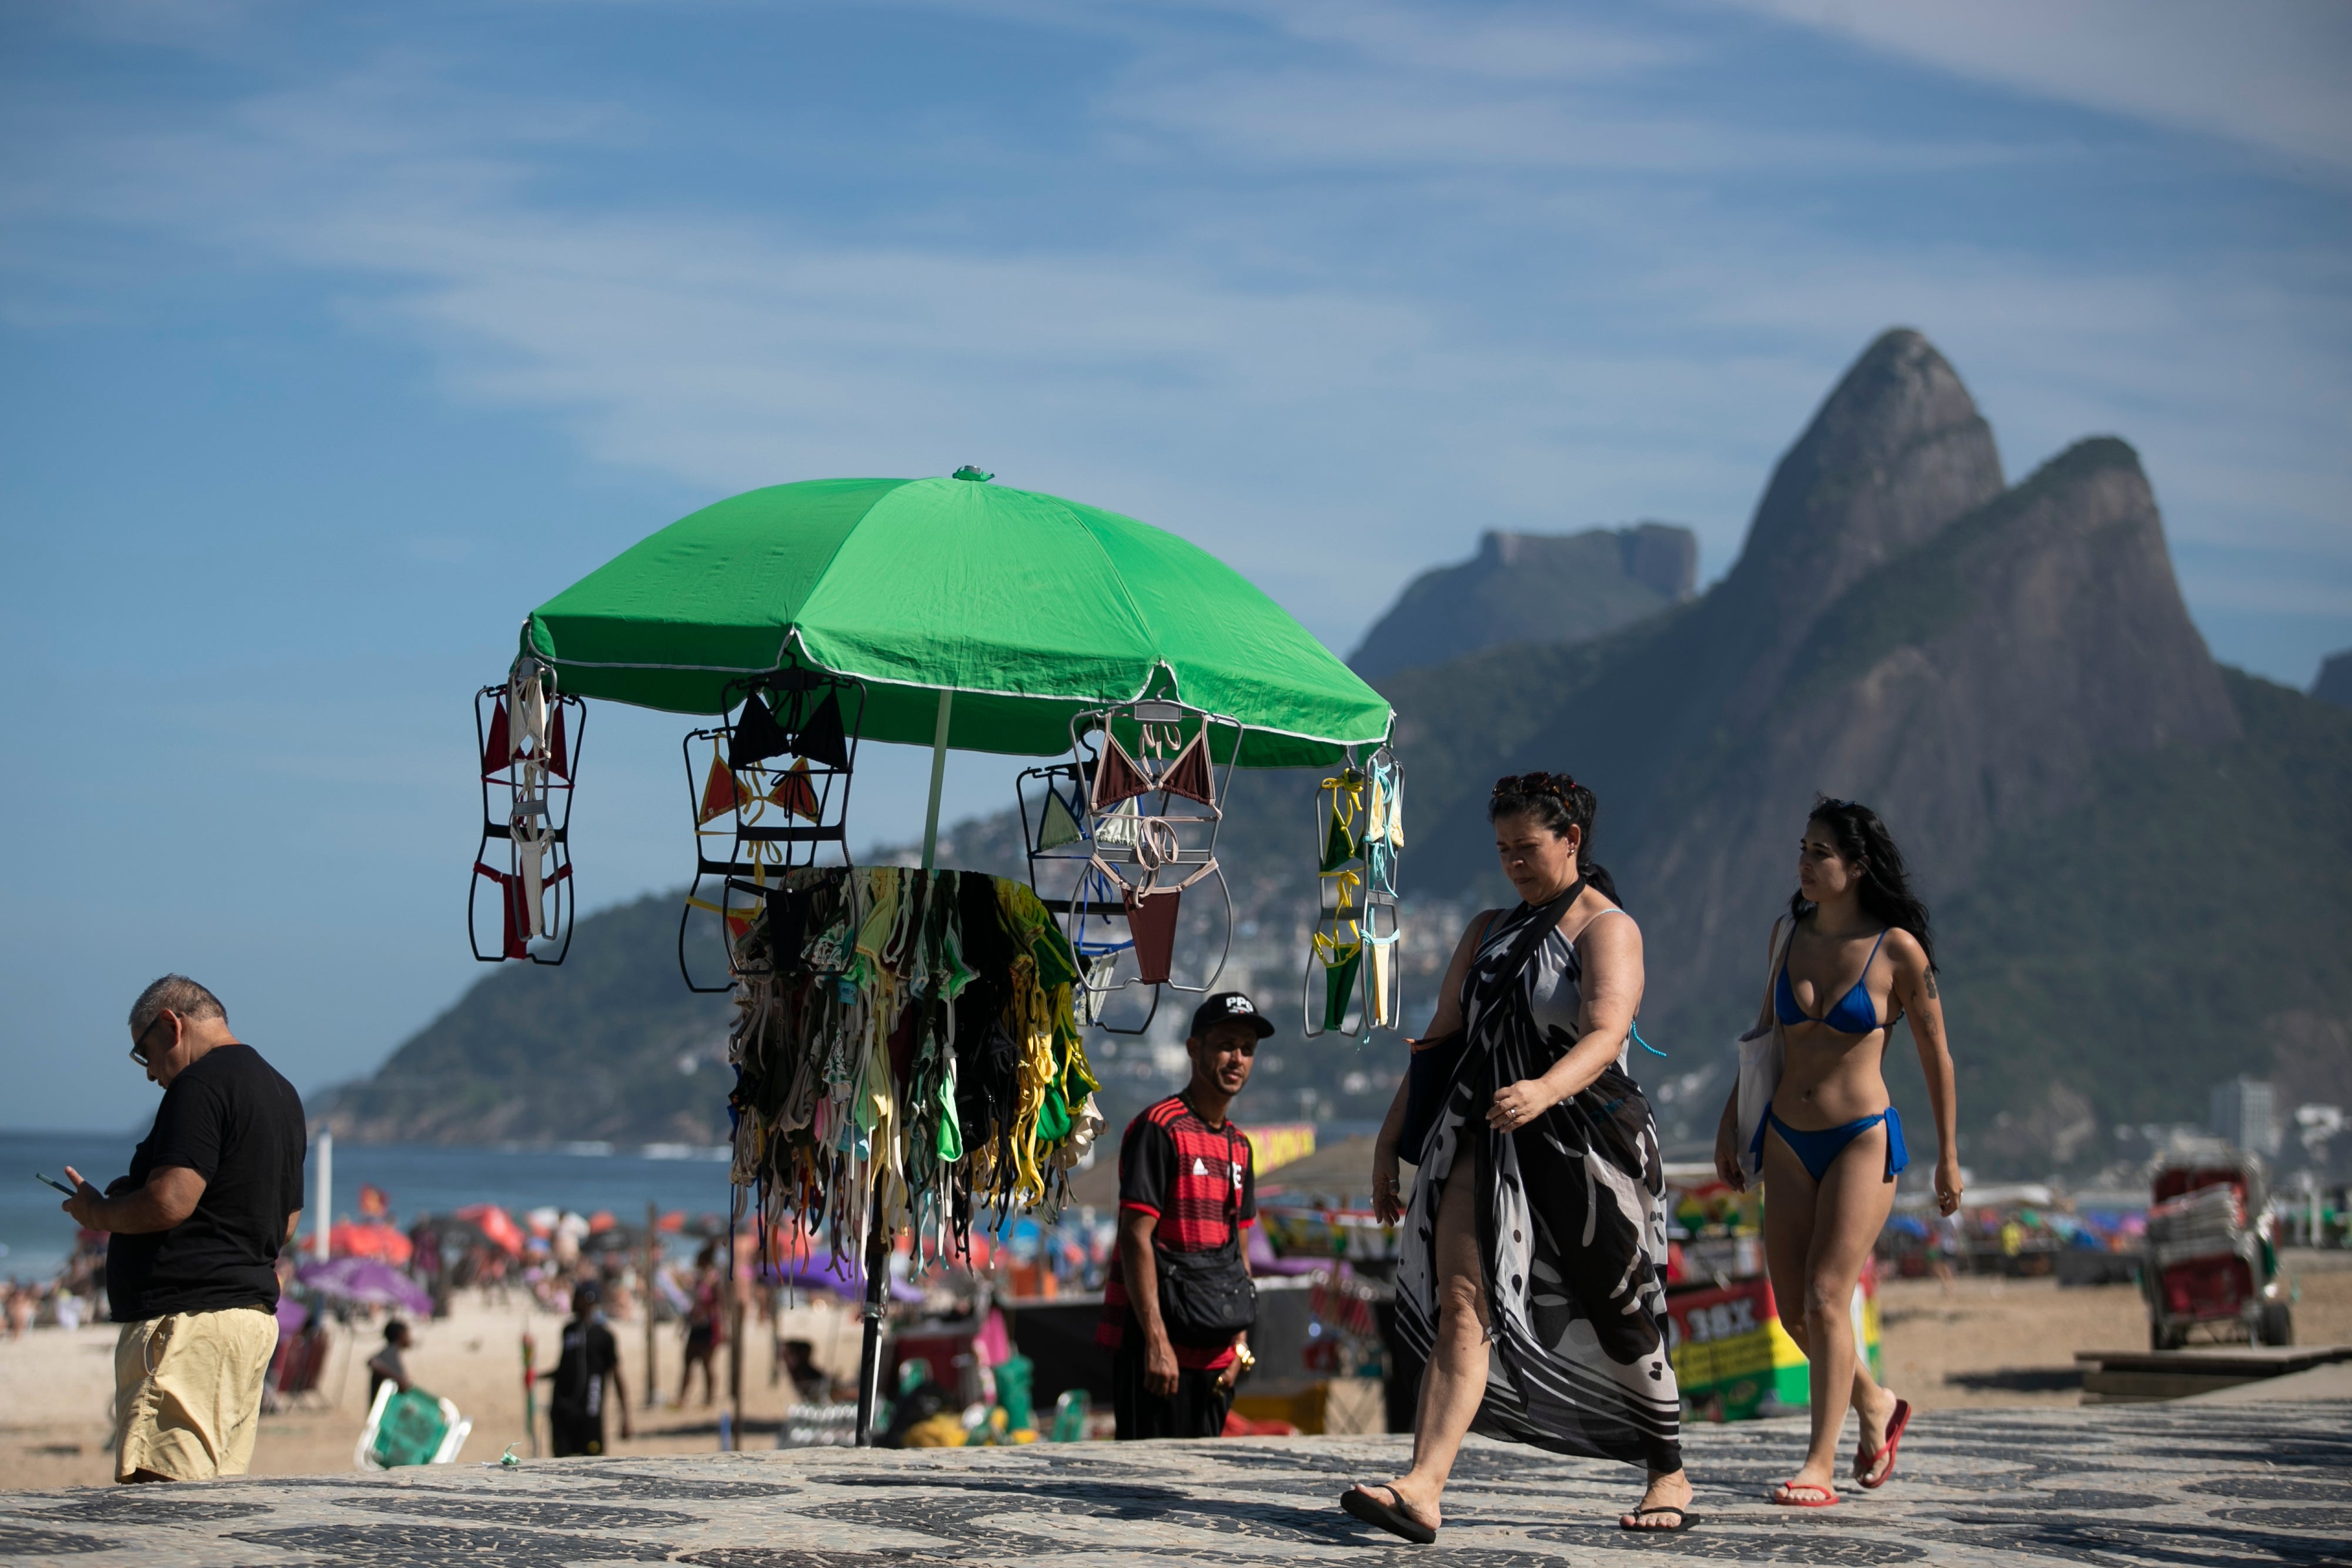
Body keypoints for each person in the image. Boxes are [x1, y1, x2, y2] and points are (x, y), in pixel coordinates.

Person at [1351, 773, 1691, 1540]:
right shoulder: (1486, 929)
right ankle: (1423, 1485)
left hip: (1588, 1141)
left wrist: (1543, 1090)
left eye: (1526, 847)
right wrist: (1388, 1139)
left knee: (1618, 1310)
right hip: (1484, 1130)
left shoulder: (1608, 928)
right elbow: (1441, 1037)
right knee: (1462, 1301)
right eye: (1502, 848)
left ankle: (1667, 1466)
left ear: (1571, 839)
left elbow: (1607, 1033)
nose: (1512, 862)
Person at [1713, 797, 1961, 1506]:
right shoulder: (1785, 936)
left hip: (1861, 1138)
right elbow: (1762, 1035)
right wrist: (1731, 1123)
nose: (1805, 862)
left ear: (1855, 867)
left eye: (1820, 852)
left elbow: (1936, 1055)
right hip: (1786, 1139)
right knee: (1795, 1311)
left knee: (1828, 1295)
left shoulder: (1897, 950)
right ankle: (1877, 1404)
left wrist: (1947, 1157)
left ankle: (1819, 1462)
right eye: (1802, 848)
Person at [61, 976, 305, 1485]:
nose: (150, 1073)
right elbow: (284, 1223)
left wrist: (99, 1213)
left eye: (145, 1052)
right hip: (246, 1324)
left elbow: (171, 1199)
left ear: (172, 1024)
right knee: (207, 1506)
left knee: (160, 1503)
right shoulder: (283, 1091)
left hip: (188, 1324)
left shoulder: (199, 1083)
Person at [1095, 991, 1265, 1440]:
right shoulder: (1159, 1128)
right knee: (1145, 1490)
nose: (1237, 1059)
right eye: (1227, 1044)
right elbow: (1135, 1238)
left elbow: (1240, 1253)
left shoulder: (1240, 1147)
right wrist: (1156, 1341)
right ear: (1195, 1048)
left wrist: (1241, 1347)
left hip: (1216, 1361)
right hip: (1157, 1357)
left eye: (1247, 1049)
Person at [542, 1280, 630, 1457]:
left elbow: (617, 1374)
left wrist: (626, 1417)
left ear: (589, 1300)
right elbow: (563, 1368)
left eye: (578, 1297)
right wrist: (537, 1376)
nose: (574, 1301)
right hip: (563, 1407)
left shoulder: (604, 1335)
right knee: (560, 1459)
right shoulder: (569, 1330)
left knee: (592, 1460)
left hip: (590, 1408)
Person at [680, 1245, 725, 1407]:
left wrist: (721, 1327)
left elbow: (718, 1303)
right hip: (697, 1324)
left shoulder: (714, 1279)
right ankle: (683, 1397)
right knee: (688, 1361)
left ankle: (709, 1398)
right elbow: (696, 1303)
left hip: (709, 1325)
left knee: (707, 1364)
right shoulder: (700, 1280)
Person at [368, 1320, 415, 1405]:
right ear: (401, 1335)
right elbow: (373, 1363)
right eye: (408, 1334)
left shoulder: (394, 1353)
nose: (410, 1338)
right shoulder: (390, 1352)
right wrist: (399, 1380)